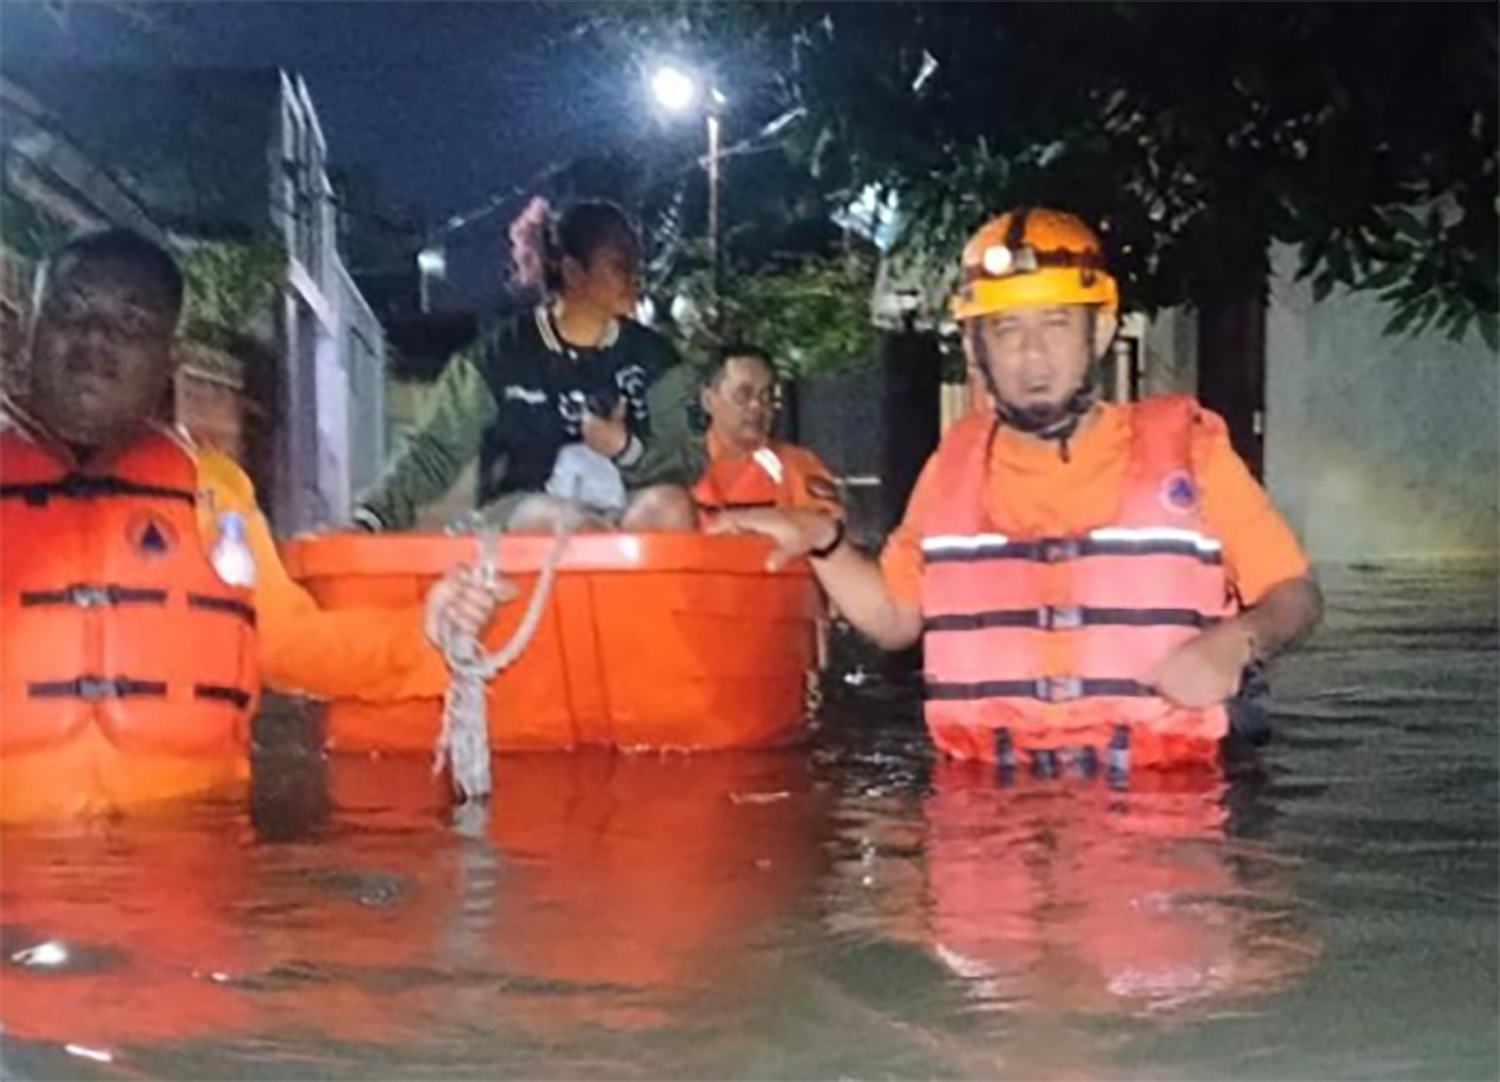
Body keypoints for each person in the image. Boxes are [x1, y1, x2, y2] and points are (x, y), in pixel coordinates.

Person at [713, 207, 1324, 773]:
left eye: (1056, 323)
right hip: (986, 808)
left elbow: (1295, 596)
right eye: (1005, 329)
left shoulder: (1193, 453)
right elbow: (896, 618)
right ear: (978, 350)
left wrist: (1236, 642)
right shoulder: (952, 465)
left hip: (1165, 805)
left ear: (1101, 331)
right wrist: (823, 540)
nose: (1033, 353)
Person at [0, 228, 508, 820]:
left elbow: (293, 644)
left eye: (133, 324)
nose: (95, 339)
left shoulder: (217, 494)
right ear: (24, 331)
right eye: (70, 311)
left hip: (191, 867)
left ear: (170, 361)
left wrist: (428, 631)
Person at [354, 198, 696, 534]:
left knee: (671, 508)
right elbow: (435, 449)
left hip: (623, 506)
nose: (636, 277)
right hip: (520, 514)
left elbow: (685, 459)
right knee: (568, 526)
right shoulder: (502, 354)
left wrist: (625, 450)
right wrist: (373, 516)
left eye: (637, 264)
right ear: (574, 272)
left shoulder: (654, 357)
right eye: (620, 265)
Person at [687, 344, 844, 517]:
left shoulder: (797, 464)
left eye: (766, 395)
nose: (757, 405)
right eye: (743, 395)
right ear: (708, 401)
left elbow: (827, 528)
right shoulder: (677, 470)